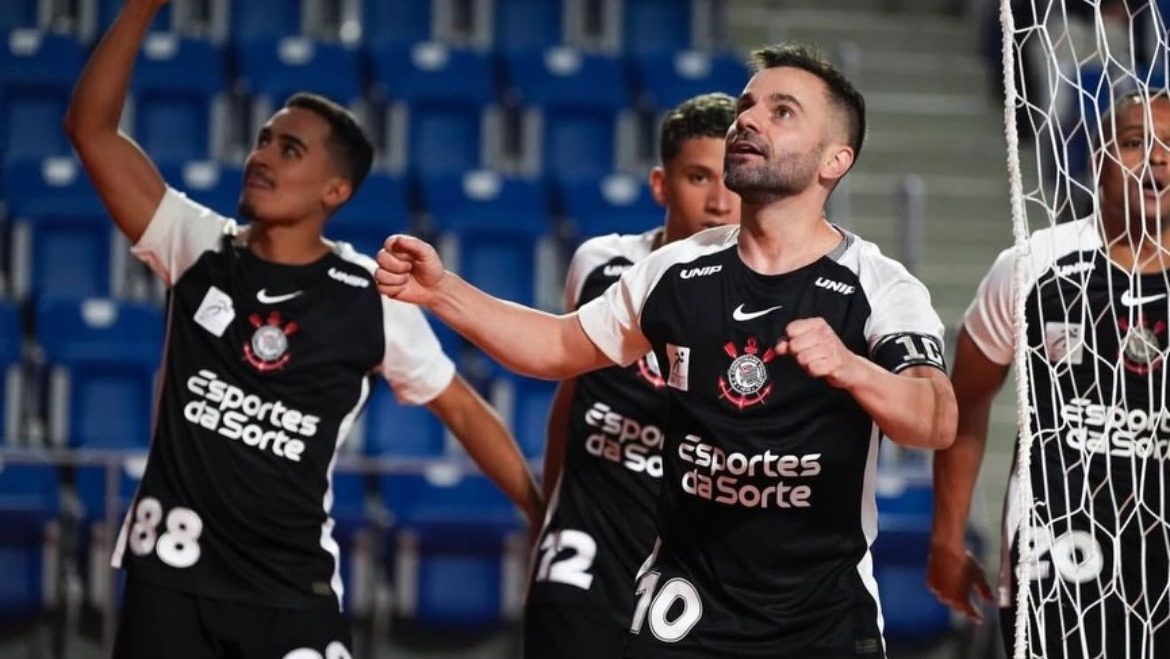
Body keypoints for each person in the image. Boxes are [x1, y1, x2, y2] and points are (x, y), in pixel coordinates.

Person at [377, 42, 958, 658]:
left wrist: (853, 369)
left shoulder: (878, 285)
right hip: (684, 609)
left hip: (822, 618)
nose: (749, 121)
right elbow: (555, 346)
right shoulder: (675, 269)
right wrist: (443, 291)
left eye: (782, 112)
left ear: (835, 160)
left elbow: (937, 418)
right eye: (747, 106)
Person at [63, 1, 540, 657]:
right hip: (171, 581)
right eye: (262, 140)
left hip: (291, 590)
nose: (261, 158)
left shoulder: (371, 294)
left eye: (288, 149)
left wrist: (540, 511)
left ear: (334, 191)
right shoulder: (197, 246)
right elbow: (90, 130)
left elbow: (460, 407)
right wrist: (143, 7)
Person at [928, 90, 1170, 658]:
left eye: (1169, 147)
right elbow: (966, 400)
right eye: (1135, 142)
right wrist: (947, 537)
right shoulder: (1033, 264)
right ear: (1097, 159)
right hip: (1060, 546)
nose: (1157, 158)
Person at [524, 92, 740, 658]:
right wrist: (548, 518)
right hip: (586, 547)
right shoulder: (601, 265)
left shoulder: (765, 300)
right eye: (698, 177)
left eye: (734, 181)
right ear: (661, 185)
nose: (720, 202)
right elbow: (571, 394)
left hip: (696, 561)